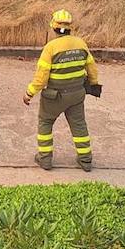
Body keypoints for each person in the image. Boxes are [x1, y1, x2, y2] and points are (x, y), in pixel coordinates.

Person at [24, 9, 99, 171]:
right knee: (79, 125)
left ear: (53, 27)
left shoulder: (50, 48)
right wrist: (93, 84)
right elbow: (92, 69)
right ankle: (85, 160)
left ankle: (45, 159)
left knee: (45, 122)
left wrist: (29, 92)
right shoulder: (81, 44)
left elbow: (41, 77)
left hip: (54, 96)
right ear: (70, 27)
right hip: (77, 94)